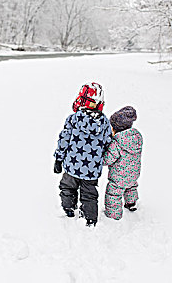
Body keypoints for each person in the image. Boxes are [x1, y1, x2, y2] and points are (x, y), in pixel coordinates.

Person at [53, 82, 112, 227]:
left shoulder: (73, 119)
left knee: (67, 187)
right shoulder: (104, 122)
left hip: (72, 166)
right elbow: (107, 142)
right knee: (89, 193)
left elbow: (64, 140)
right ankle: (90, 218)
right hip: (91, 169)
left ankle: (68, 209)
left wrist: (59, 159)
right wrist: (99, 159)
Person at [103, 106, 143, 220]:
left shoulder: (117, 143)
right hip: (134, 173)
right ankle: (131, 203)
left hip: (119, 177)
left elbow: (108, 159)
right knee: (131, 186)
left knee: (114, 194)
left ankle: (113, 215)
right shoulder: (137, 138)